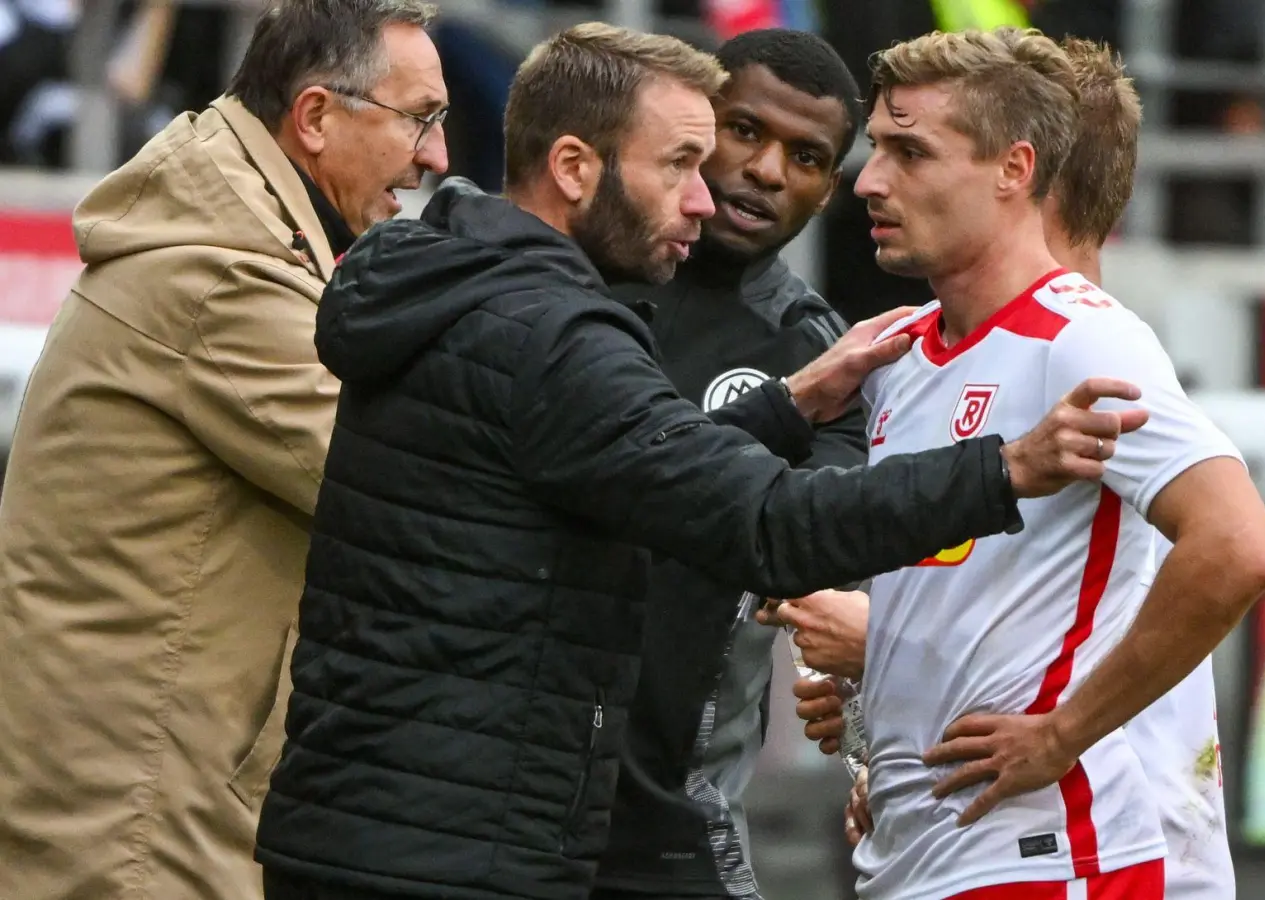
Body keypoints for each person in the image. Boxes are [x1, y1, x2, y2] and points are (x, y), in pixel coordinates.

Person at [251, 23, 1149, 900]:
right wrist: (1005, 469)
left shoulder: (446, 279)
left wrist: (785, 407)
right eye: (686, 161)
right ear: (574, 168)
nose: (709, 193)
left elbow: (618, 470)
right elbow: (765, 522)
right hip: (456, 845)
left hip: (374, 819)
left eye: (809, 156)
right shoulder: (554, 335)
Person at [0, 2, 449, 898]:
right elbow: (419, 489)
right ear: (315, 117)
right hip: (137, 835)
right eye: (421, 119)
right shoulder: (220, 276)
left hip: (155, 806)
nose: (438, 157)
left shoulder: (241, 241)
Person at [776, 34, 1239, 900]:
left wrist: (1061, 735)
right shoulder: (900, 354)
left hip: (1063, 847)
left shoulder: (1086, 341)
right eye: (878, 148)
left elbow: (1236, 547)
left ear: (1020, 172)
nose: (869, 181)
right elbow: (974, 604)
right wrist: (881, 695)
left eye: (910, 151)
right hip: (926, 845)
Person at [595, 29, 869, 900]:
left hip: (668, 814)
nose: (766, 171)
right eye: (745, 131)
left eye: (807, 156)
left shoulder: (815, 358)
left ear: (829, 191)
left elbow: (828, 544)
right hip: (498, 786)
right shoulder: (566, 284)